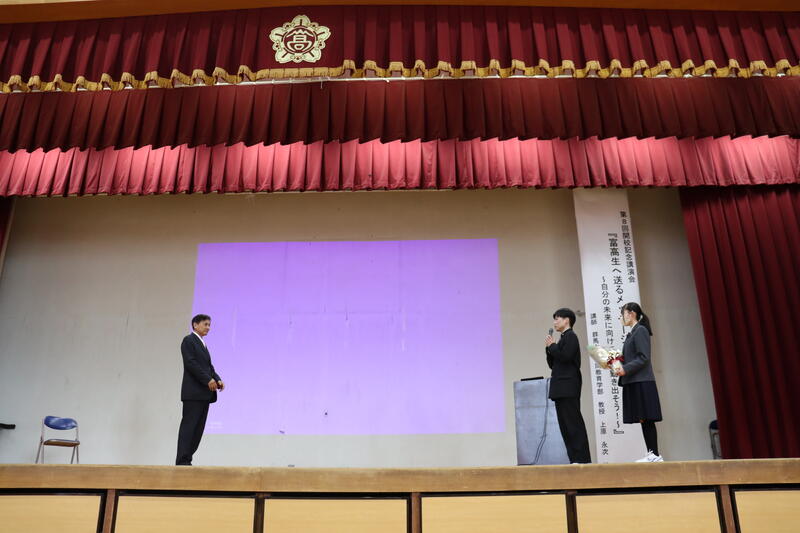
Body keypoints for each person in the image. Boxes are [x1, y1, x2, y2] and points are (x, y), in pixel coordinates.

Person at [616, 302, 664, 462]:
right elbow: (632, 357)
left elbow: (644, 357)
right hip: (635, 381)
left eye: (623, 313)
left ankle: (655, 454)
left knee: (647, 418)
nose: (621, 317)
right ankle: (652, 453)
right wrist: (614, 362)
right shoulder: (633, 333)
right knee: (643, 418)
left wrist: (625, 369)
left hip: (642, 381)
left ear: (631, 314)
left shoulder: (640, 330)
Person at [176, 314, 224, 465]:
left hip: (204, 394)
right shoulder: (189, 341)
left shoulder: (202, 343)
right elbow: (191, 364)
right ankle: (182, 461)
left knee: (198, 430)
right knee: (189, 428)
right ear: (195, 325)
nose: (208, 327)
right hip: (193, 393)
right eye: (205, 324)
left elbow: (208, 367)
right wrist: (208, 380)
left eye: (209, 325)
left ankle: (187, 460)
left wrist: (217, 379)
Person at [545, 308, 591, 464]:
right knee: (565, 427)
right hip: (560, 388)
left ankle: (582, 460)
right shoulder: (562, 339)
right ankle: (574, 460)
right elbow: (553, 364)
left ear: (567, 320)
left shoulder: (571, 336)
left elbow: (565, 357)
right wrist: (549, 348)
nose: (554, 322)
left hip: (568, 387)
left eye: (557, 318)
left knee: (573, 424)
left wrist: (552, 347)